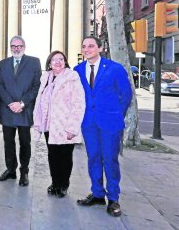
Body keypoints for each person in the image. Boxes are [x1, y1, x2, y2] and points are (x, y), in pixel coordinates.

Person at [74, 36, 132, 217]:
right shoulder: (77, 70)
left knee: (110, 159)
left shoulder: (114, 68)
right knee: (93, 158)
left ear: (100, 48)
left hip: (110, 124)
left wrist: (116, 115)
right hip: (88, 123)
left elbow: (126, 94)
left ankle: (113, 198)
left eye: (91, 46)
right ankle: (98, 194)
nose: (87, 49)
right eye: (84, 46)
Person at [33, 51, 85, 197]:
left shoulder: (72, 78)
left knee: (65, 156)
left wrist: (72, 127)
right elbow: (40, 100)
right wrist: (38, 121)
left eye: (61, 59)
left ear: (65, 62)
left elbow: (79, 104)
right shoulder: (46, 78)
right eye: (54, 59)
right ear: (49, 63)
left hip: (65, 125)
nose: (57, 62)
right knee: (53, 155)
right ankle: (55, 182)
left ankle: (63, 184)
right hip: (50, 125)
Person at [0, 35, 41, 186]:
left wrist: (21, 103)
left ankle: (24, 172)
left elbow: (36, 86)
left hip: (24, 109)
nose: (16, 48)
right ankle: (10, 170)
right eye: (13, 46)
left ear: (24, 47)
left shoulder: (34, 62)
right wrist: (10, 103)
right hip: (8, 110)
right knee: (8, 142)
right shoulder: (3, 63)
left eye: (19, 46)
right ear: (10, 48)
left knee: (25, 142)